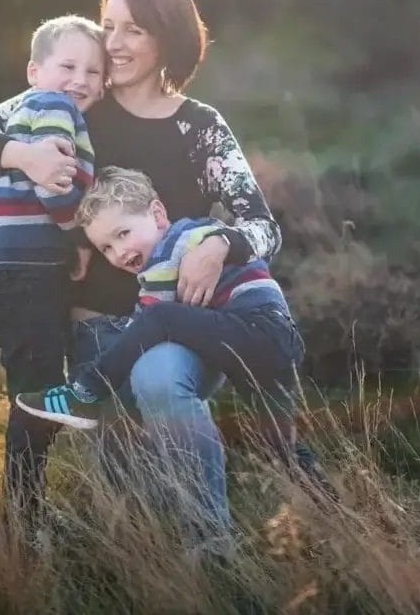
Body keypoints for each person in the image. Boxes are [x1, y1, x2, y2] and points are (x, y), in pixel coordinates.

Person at [0, 0, 282, 533]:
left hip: (174, 327)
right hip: (93, 337)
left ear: (168, 37)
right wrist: (23, 156)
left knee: (160, 389)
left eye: (134, 29)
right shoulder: (73, 97)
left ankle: (214, 550)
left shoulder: (199, 128)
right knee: (137, 512)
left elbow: (262, 226)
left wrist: (221, 246)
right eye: (109, 25)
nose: (114, 43)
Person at [16, 166, 304, 466]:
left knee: (158, 319)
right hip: (271, 340)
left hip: (257, 329)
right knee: (283, 447)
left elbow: (149, 322)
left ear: (157, 215)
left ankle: (85, 392)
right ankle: (324, 498)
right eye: (107, 248)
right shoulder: (199, 231)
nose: (119, 253)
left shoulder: (168, 254)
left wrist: (118, 353)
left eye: (123, 234)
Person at [0, 14, 104, 530]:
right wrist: (81, 235)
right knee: (38, 402)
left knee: (35, 393)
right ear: (34, 71)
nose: (81, 80)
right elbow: (55, 186)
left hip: (20, 277)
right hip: (26, 279)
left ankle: (28, 511)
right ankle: (24, 521)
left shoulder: (36, 108)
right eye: (68, 65)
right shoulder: (53, 108)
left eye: (94, 71)